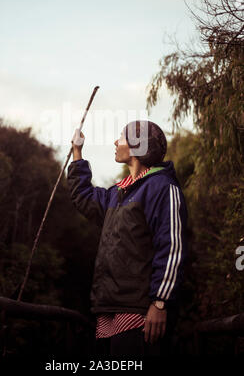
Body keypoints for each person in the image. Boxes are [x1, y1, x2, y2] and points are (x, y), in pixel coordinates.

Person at [67, 120, 188, 358]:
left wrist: (160, 303)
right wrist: (77, 153)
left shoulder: (163, 188)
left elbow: (172, 248)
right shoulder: (118, 193)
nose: (115, 142)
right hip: (109, 310)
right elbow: (84, 197)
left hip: (140, 314)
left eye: (120, 137)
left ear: (136, 147)